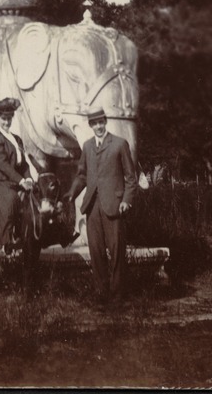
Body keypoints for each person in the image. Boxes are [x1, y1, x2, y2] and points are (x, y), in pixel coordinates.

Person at [66, 106, 137, 306]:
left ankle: (118, 296)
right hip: (92, 206)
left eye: (101, 122)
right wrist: (72, 193)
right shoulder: (87, 147)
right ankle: (101, 295)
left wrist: (126, 201)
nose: (98, 126)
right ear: (90, 125)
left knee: (116, 252)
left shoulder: (120, 144)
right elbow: (81, 175)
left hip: (114, 205)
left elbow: (131, 178)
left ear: (105, 122)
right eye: (94, 123)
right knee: (96, 252)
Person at [0, 97, 35, 254]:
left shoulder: (17, 139)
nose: (7, 122)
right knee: (11, 199)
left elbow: (23, 164)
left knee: (37, 198)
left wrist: (29, 178)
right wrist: (21, 180)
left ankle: (37, 236)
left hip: (12, 180)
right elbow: (2, 165)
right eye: (3, 119)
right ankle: (6, 241)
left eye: (9, 118)